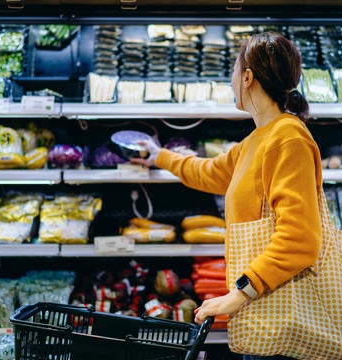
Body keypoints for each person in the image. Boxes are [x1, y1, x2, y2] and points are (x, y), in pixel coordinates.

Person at [136, 32, 325, 359]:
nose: (230, 80)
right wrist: (159, 156)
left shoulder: (288, 138)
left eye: (234, 71)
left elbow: (300, 238)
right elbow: (209, 172)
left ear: (248, 77)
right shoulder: (257, 140)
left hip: (284, 320)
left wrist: (239, 293)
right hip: (265, 311)